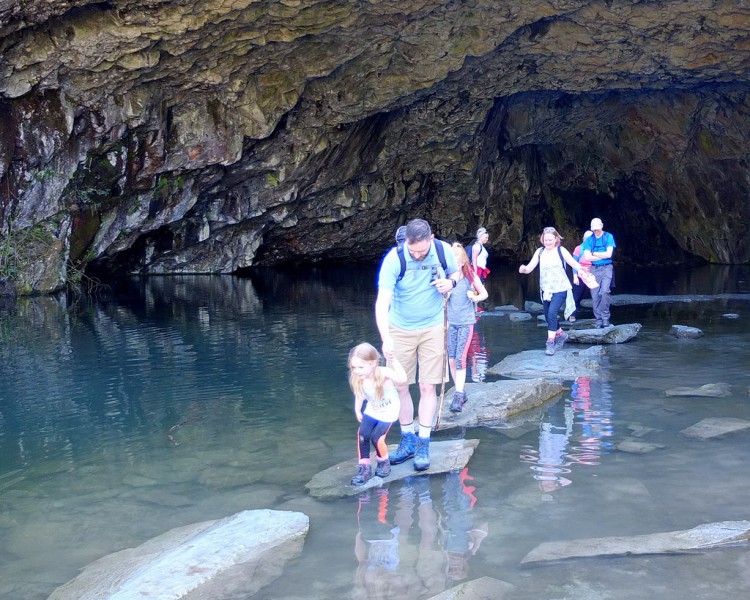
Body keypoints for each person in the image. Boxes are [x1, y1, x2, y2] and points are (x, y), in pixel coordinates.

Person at [375, 218, 458, 472]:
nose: (418, 255)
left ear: (431, 239)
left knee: (427, 386)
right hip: (399, 328)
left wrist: (450, 284)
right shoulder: (394, 259)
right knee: (400, 385)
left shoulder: (443, 250)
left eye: (422, 251)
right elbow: (382, 302)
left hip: (433, 326)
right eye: (413, 251)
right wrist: (386, 337)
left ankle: (424, 441)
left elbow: (456, 274)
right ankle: (407, 438)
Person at [518, 227, 590, 356]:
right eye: (546, 240)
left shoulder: (561, 251)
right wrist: (523, 269)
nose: (548, 242)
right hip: (546, 290)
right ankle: (561, 335)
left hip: (561, 288)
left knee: (552, 313)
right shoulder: (540, 252)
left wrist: (581, 270)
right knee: (547, 316)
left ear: (556, 239)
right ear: (542, 240)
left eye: (550, 240)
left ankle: (550, 342)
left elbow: (574, 263)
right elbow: (530, 268)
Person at [349, 342, 408, 486]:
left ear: (373, 363)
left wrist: (393, 360)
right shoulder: (359, 377)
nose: (357, 371)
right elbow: (359, 395)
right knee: (363, 434)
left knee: (377, 438)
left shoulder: (383, 373)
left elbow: (403, 379)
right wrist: (357, 409)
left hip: (389, 411)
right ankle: (365, 468)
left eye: (361, 367)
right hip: (373, 409)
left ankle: (383, 462)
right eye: (354, 367)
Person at [446, 243, 488, 413]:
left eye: (458, 259)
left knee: (461, 357)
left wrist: (475, 297)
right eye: (452, 259)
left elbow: (484, 293)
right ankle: (460, 389)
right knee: (451, 359)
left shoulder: (470, 277)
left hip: (465, 321)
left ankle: (458, 394)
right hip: (450, 323)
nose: (456, 262)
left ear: (464, 260)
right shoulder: (447, 277)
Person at [581, 217, 616, 328]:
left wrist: (594, 253)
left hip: (607, 268)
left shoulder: (608, 237)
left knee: (605, 291)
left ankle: (606, 318)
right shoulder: (590, 239)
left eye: (597, 228)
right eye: (594, 229)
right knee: (595, 295)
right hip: (594, 269)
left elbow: (609, 254)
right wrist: (601, 255)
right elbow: (587, 257)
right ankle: (598, 320)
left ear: (602, 226)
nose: (596, 231)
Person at [569, 230, 593, 322]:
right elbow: (574, 263)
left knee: (597, 295)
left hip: (592, 275)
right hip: (581, 274)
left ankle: (599, 315)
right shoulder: (579, 248)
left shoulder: (596, 249)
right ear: (583, 239)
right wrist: (575, 276)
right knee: (577, 296)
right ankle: (572, 314)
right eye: (587, 238)